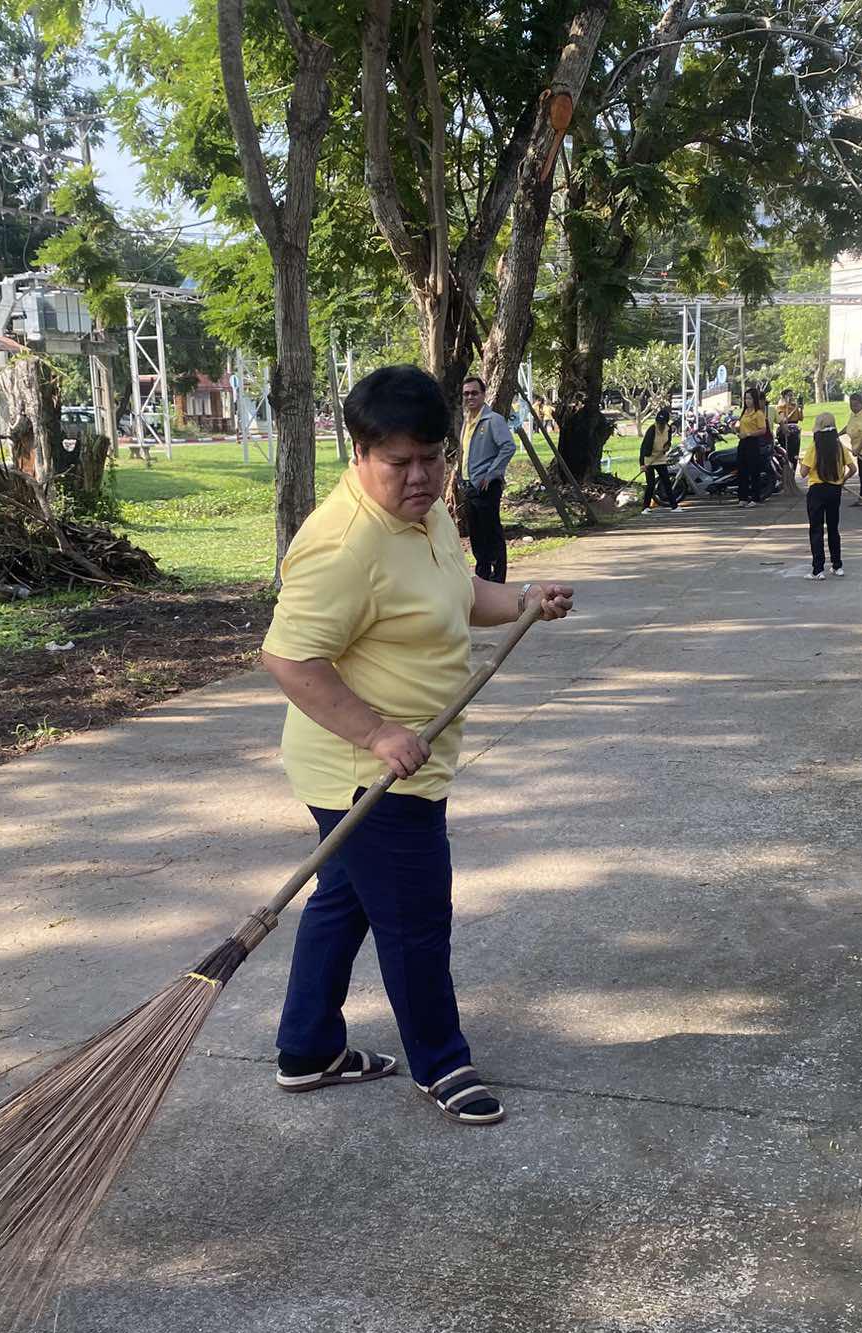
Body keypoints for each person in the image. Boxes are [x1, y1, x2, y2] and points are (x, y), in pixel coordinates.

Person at [261, 365, 575, 1126]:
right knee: (415, 915)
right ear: (359, 452)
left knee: (344, 902)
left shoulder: (428, 514)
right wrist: (376, 732)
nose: (420, 476)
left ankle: (308, 1050)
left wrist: (525, 599)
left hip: (405, 761)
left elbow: (462, 594)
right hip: (365, 772)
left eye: (432, 457)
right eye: (398, 462)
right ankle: (442, 1062)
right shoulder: (342, 546)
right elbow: (289, 659)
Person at [458, 375, 515, 583]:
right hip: (469, 485)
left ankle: (498, 577)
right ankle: (482, 576)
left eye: (474, 393)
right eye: (466, 394)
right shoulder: (467, 420)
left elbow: (508, 446)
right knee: (476, 533)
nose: (470, 397)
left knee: (491, 531)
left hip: (487, 485)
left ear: (483, 394)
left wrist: (491, 474)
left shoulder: (493, 420)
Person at [798, 411, 855, 579]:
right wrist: (842, 479)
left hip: (816, 490)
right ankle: (837, 566)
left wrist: (802, 462)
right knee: (833, 529)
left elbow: (803, 473)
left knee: (816, 529)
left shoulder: (814, 447)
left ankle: (818, 570)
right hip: (834, 491)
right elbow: (853, 469)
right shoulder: (839, 447)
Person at [735, 387, 772, 505]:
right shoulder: (744, 412)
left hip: (753, 442)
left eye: (749, 398)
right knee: (742, 470)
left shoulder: (758, 413)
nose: (747, 401)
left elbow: (763, 430)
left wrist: (749, 434)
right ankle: (743, 497)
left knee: (754, 470)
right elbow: (740, 426)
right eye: (746, 398)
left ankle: (755, 497)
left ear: (754, 400)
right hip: (743, 443)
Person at [639, 405, 679, 507]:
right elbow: (643, 447)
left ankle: (674, 506)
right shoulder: (652, 429)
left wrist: (667, 447)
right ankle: (645, 507)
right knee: (651, 484)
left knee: (666, 482)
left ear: (666, 422)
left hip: (660, 458)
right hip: (649, 459)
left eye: (662, 422)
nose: (660, 424)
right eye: (658, 422)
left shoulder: (668, 429)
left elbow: (668, 442)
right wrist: (642, 464)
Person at [774, 390, 803, 493]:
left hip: (795, 430)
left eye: (792, 395)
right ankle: (784, 478)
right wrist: (792, 409)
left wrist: (800, 409)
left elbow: (800, 418)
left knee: (794, 455)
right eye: (789, 395)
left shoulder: (794, 406)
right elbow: (784, 420)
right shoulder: (781, 407)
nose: (791, 397)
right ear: (784, 396)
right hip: (785, 431)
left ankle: (792, 477)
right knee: (786, 454)